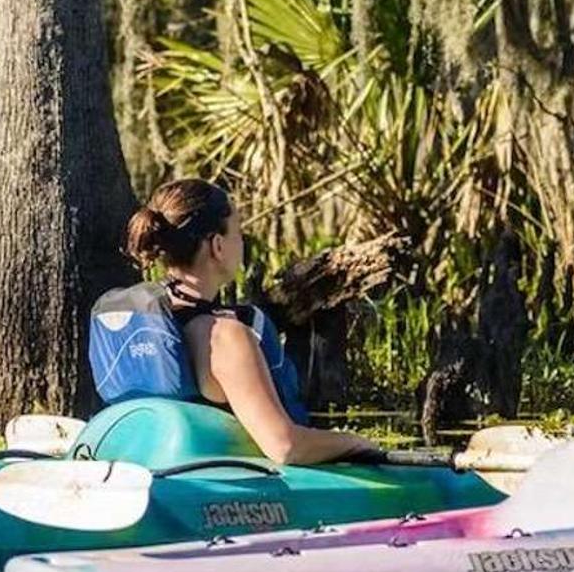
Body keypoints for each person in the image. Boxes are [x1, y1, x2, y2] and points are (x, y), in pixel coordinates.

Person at [90, 178, 379, 465]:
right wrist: (358, 443)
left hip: (143, 467)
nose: (242, 241)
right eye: (238, 233)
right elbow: (285, 446)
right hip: (205, 484)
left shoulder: (142, 320)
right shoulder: (223, 338)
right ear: (217, 245)